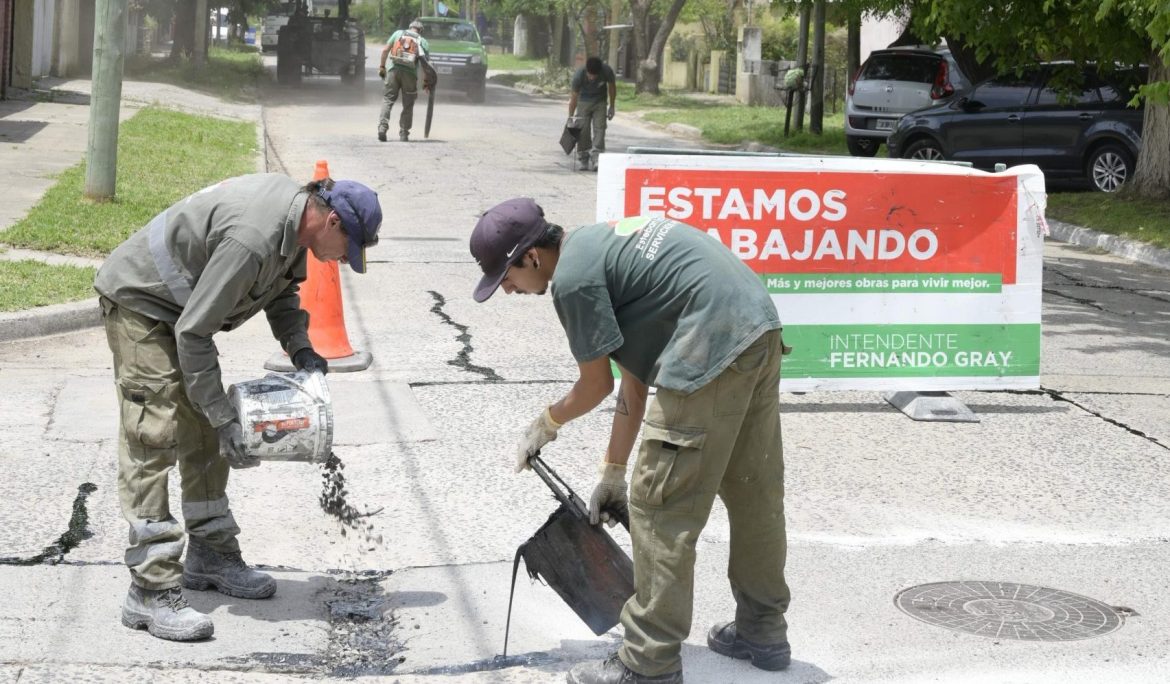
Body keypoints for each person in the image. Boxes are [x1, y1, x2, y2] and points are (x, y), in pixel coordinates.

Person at [470, 198, 792, 683]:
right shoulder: (598, 245)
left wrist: (546, 423)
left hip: (710, 343)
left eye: (507, 278)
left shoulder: (574, 281)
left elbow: (594, 386)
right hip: (756, 328)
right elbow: (633, 383)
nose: (509, 291)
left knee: (661, 506)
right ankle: (763, 629)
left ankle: (647, 663)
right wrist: (612, 471)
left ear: (532, 257)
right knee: (753, 492)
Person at [94, 174, 383, 642]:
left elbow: (282, 295)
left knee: (206, 429)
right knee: (155, 433)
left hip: (182, 311)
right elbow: (194, 333)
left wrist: (301, 347)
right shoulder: (255, 238)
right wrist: (226, 416)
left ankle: (210, 553)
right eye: (344, 250)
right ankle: (149, 589)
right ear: (331, 220)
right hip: (142, 303)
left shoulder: (295, 229)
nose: (340, 262)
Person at [378, 19, 432, 142]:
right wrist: (426, 82)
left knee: (388, 100)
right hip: (410, 75)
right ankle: (404, 133)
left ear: (410, 27)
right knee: (408, 105)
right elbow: (426, 65)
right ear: (420, 31)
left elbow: (385, 50)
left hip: (393, 71)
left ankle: (382, 128)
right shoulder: (422, 41)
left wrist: (382, 67)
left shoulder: (398, 34)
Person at [568, 56, 617, 172]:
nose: (591, 78)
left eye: (594, 76)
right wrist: (570, 116)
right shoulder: (579, 75)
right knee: (583, 129)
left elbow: (612, 87)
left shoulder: (606, 71)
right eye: (590, 75)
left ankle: (597, 158)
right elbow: (574, 98)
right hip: (583, 102)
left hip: (600, 102)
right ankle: (583, 158)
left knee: (600, 128)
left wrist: (612, 106)